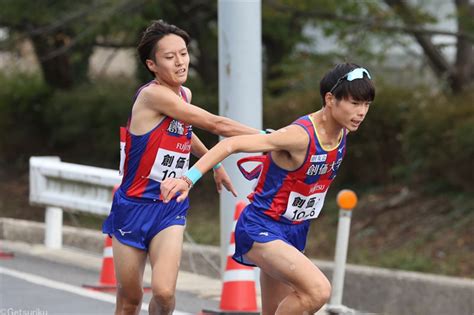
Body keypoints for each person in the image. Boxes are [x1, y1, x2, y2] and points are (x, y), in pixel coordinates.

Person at [161, 63, 375, 315]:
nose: (361, 112)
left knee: (274, 310)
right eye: (354, 103)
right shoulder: (300, 136)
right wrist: (188, 179)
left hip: (294, 231)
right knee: (318, 291)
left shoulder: (341, 132)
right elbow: (232, 145)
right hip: (262, 228)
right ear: (330, 99)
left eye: (366, 105)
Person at [102, 20, 263, 315]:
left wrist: (213, 165)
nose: (180, 62)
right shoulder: (152, 96)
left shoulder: (183, 95)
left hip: (169, 205)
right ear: (151, 64)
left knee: (164, 293)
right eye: (169, 57)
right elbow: (216, 124)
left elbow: (184, 131)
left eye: (184, 53)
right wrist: (268, 138)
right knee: (130, 300)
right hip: (133, 206)